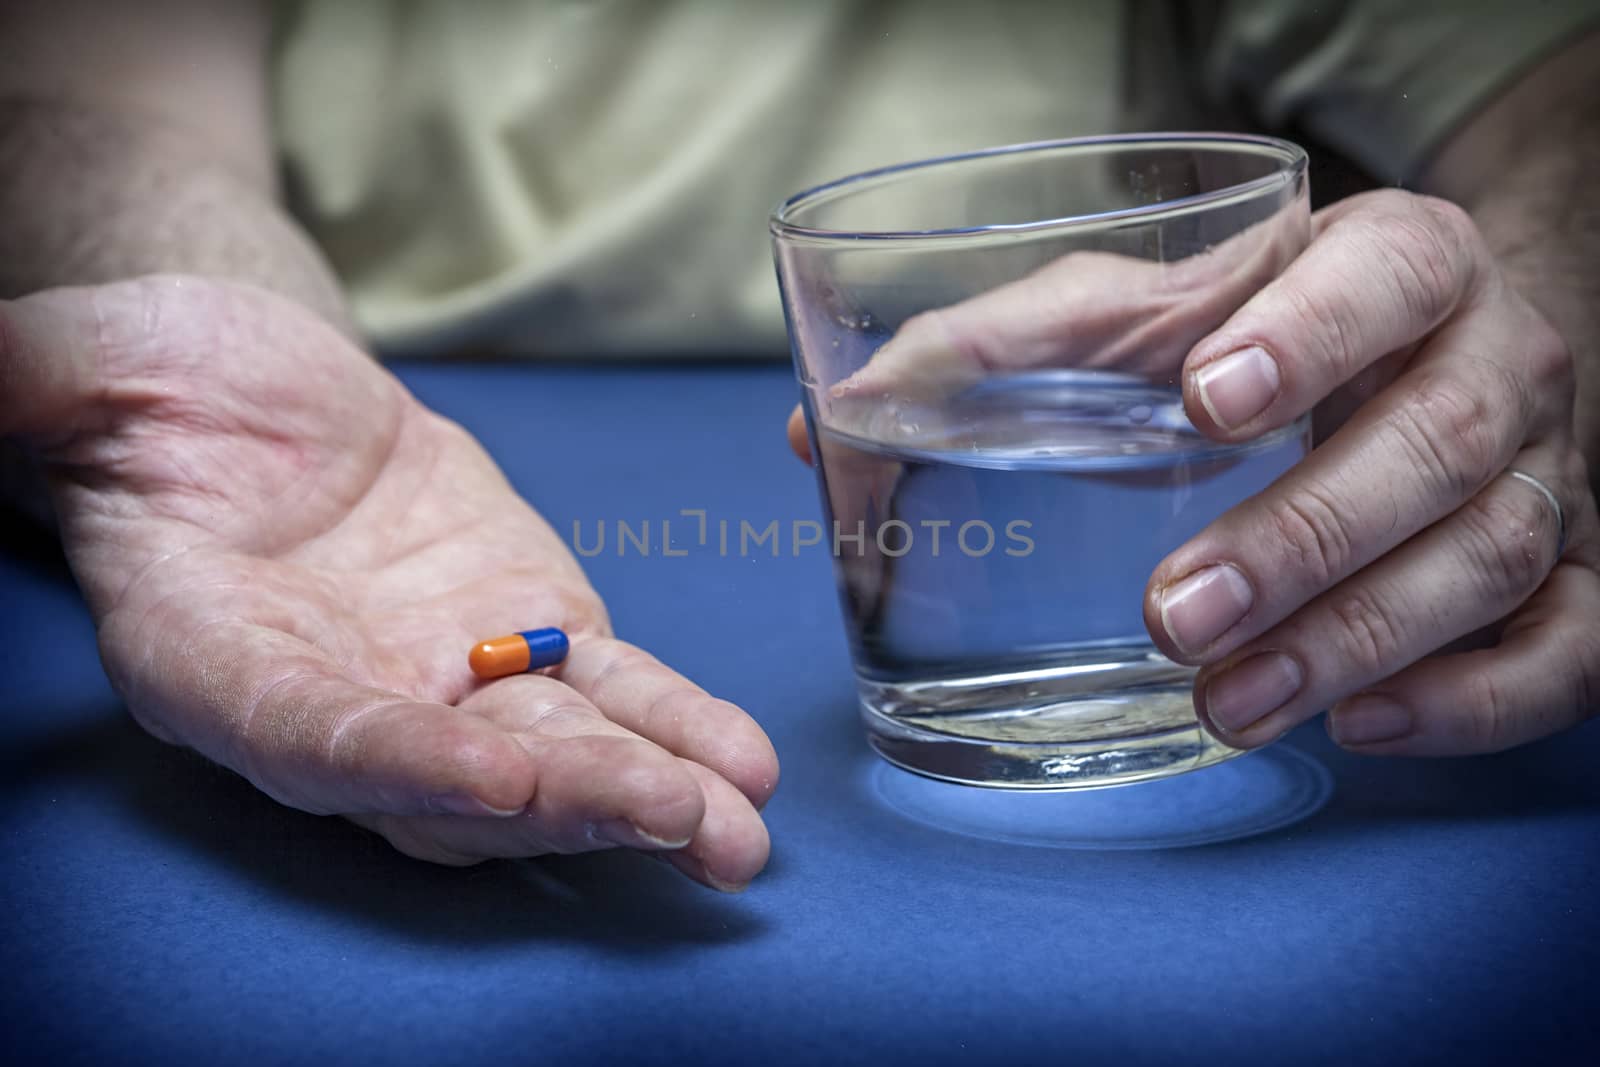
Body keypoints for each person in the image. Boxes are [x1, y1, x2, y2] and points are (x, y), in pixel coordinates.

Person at [1, 0, 1596, 890]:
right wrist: (215, 337)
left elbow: (1558, 104)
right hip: (380, 418)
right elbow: (91, 98)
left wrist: (1521, 327)